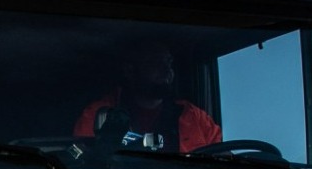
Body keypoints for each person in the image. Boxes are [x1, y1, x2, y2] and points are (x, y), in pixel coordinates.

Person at [74, 41, 222, 153]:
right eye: (155, 62)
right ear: (130, 70)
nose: (166, 70)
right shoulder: (99, 115)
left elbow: (222, 161)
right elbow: (82, 161)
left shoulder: (195, 117)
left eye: (168, 62)